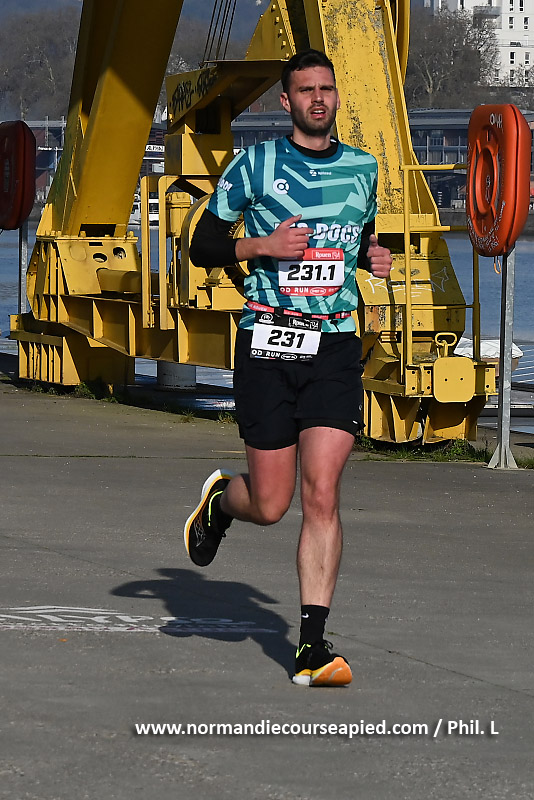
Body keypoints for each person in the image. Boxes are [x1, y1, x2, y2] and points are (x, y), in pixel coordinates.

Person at [184, 49, 392, 687]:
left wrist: (374, 256)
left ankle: (312, 646)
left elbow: (359, 233)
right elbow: (202, 245)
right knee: (272, 503)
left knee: (322, 492)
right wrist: (262, 245)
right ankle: (222, 503)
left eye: (326, 88)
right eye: (306, 90)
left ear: (336, 96)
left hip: (333, 344)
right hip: (267, 343)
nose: (318, 98)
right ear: (286, 101)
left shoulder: (364, 168)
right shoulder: (255, 165)